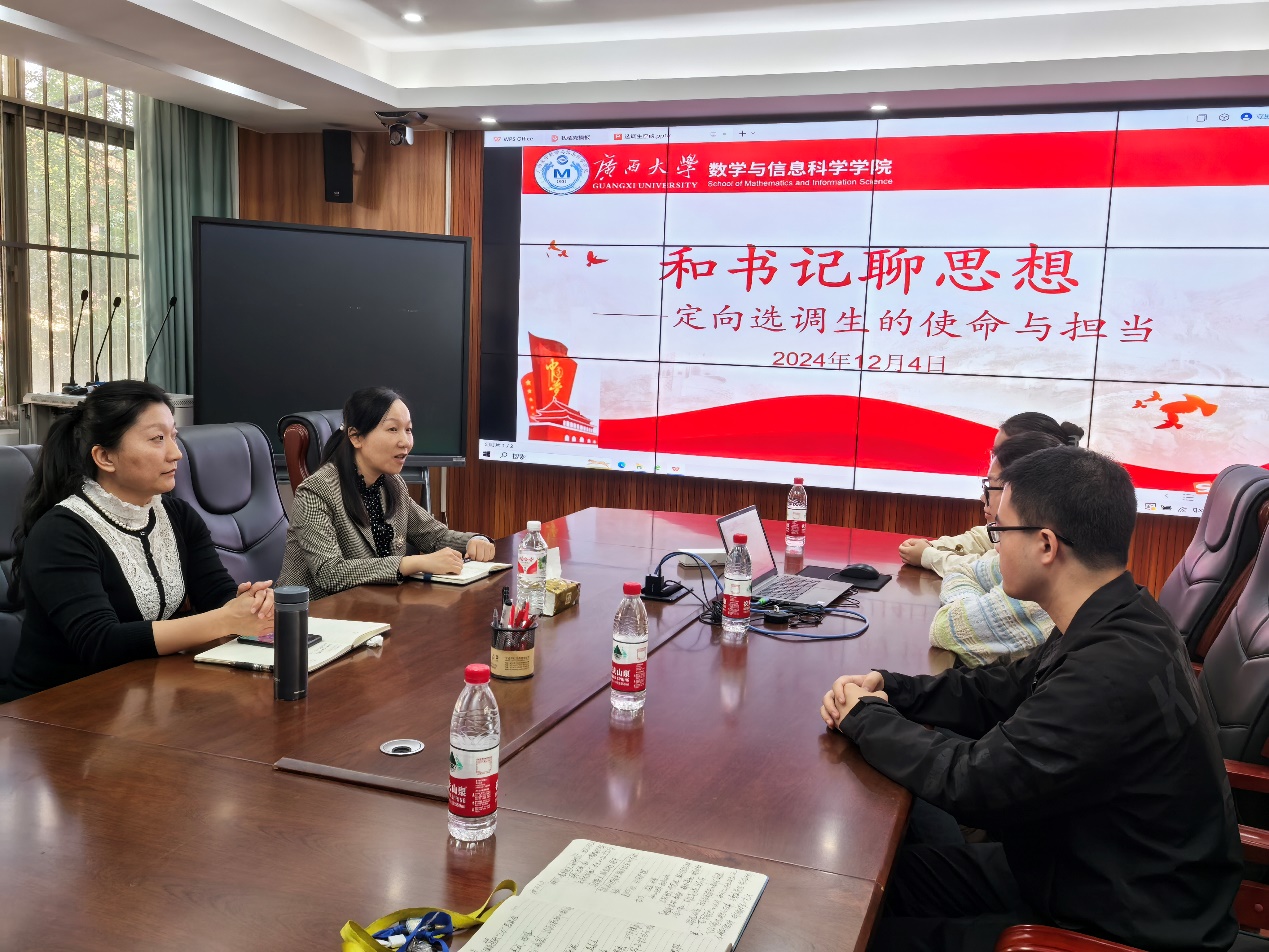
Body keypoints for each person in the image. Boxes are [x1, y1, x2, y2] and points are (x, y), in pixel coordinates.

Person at [821, 447, 1241, 952]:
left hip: (1113, 923)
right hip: (1075, 866)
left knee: (861, 935)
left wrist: (866, 719)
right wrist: (892, 688)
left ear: (1045, 545)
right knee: (861, 889)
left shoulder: (1107, 672)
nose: (994, 547)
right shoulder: (1120, 615)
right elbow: (1000, 689)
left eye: (1000, 531)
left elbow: (974, 782)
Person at [0, 381, 274, 702]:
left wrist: (246, 604)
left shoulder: (177, 515)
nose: (176, 453)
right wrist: (224, 619)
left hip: (146, 693)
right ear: (105, 457)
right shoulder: (61, 532)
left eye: (173, 436)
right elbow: (100, 643)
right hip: (58, 707)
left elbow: (216, 595)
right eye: (157, 439)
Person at [279, 387, 495, 600]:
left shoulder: (391, 484)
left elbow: (433, 535)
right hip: (312, 614)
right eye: (393, 429)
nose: (405, 442)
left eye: (408, 430)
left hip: (375, 606)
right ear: (355, 437)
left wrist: (473, 541)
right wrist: (412, 563)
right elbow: (330, 573)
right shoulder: (315, 491)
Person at [929, 431, 1061, 667]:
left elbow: (945, 628)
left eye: (992, 485)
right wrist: (975, 606)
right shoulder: (1036, 553)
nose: (997, 548)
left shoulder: (1041, 588)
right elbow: (963, 572)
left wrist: (967, 609)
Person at [899, 411, 1085, 574]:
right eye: (994, 453)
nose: (995, 460)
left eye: (1002, 452)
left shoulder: (1041, 536)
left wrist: (929, 555)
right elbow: (984, 537)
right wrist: (935, 546)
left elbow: (985, 569)